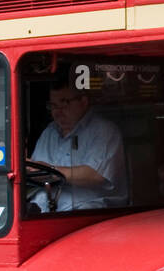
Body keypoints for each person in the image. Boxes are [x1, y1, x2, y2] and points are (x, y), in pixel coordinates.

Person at [30, 80, 127, 211]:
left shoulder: (104, 130)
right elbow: (36, 171)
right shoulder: (49, 132)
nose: (57, 112)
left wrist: (51, 171)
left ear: (83, 101)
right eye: (53, 106)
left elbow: (95, 175)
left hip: (87, 213)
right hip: (43, 211)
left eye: (64, 104)